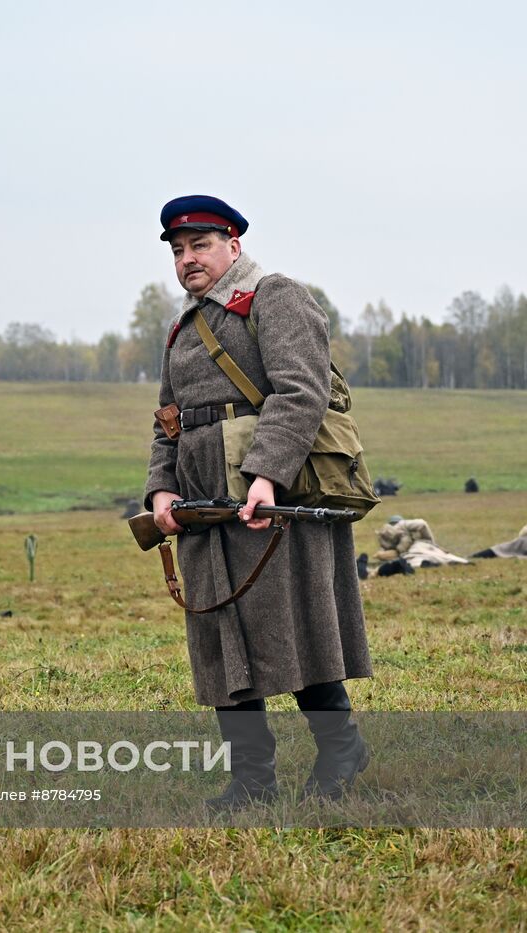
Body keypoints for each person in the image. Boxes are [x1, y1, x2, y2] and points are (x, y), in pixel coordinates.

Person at [143, 195, 372, 810]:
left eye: (201, 245)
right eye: (179, 250)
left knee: (294, 626)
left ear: (233, 245)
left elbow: (302, 390)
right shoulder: (184, 326)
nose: (188, 259)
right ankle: (252, 779)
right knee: (220, 635)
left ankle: (340, 748)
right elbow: (169, 419)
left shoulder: (274, 297)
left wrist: (267, 472)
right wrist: (160, 487)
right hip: (202, 504)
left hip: (273, 500)